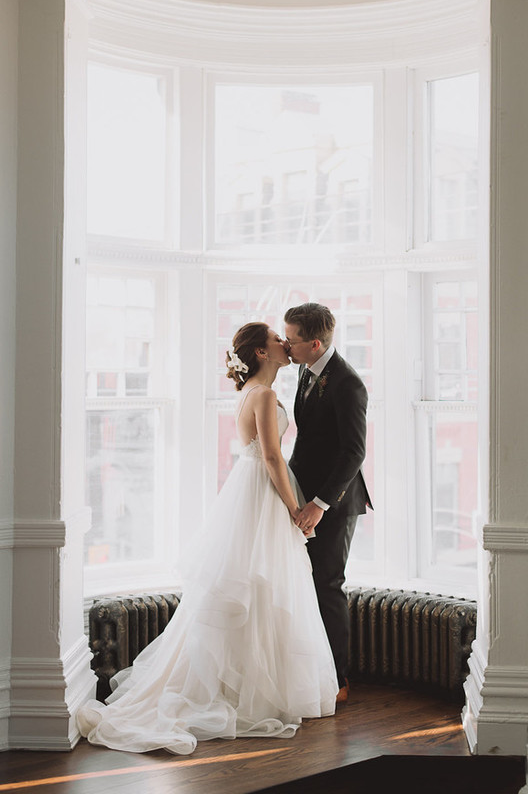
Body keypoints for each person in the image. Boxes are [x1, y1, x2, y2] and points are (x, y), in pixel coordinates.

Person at [77, 322, 338, 755]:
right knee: (261, 586)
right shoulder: (266, 395)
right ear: (260, 352)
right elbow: (272, 456)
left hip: (248, 490)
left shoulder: (250, 394)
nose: (283, 343)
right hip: (263, 490)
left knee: (255, 587)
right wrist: (295, 507)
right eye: (276, 338)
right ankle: (250, 694)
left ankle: (247, 688)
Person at [284, 303, 372, 704]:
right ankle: (306, 670)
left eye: (292, 339)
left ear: (315, 343)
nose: (287, 345)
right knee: (300, 583)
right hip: (301, 493)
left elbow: (354, 453)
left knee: (327, 586)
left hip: (334, 503)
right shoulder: (305, 369)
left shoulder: (348, 384)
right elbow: (309, 441)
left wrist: (319, 503)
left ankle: (338, 680)